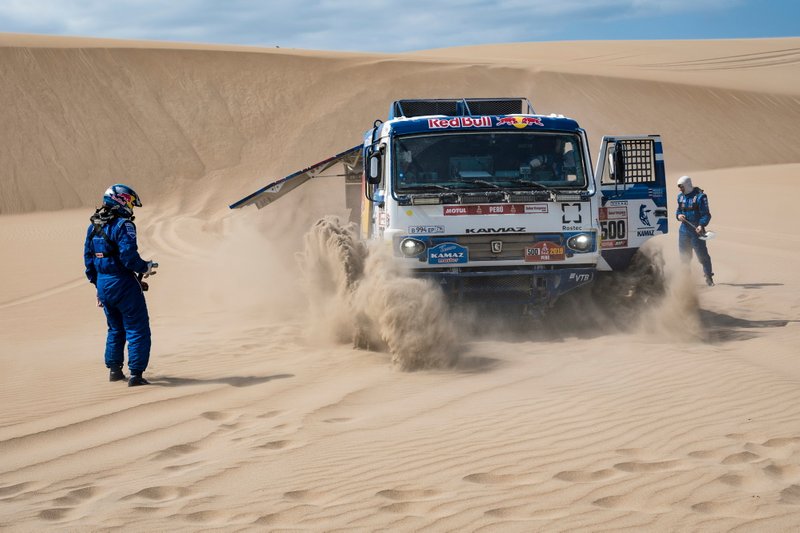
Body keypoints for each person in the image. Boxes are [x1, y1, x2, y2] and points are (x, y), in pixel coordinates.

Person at [84, 184, 158, 386]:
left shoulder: (94, 226)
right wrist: (146, 266)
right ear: (122, 200)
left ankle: (115, 371)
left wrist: (99, 287)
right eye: (131, 202)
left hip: (103, 284)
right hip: (123, 283)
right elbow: (129, 258)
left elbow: (88, 262)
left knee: (115, 329)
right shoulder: (123, 225)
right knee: (137, 328)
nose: (132, 206)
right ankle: (136, 375)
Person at [675, 175, 714, 286]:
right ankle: (686, 281)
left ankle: (709, 278)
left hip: (696, 231)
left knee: (702, 256)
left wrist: (701, 225)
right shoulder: (680, 197)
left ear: (687, 185)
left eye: (681, 186)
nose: (680, 189)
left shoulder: (700, 197)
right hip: (683, 231)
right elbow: (678, 211)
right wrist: (679, 216)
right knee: (684, 257)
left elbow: (706, 214)